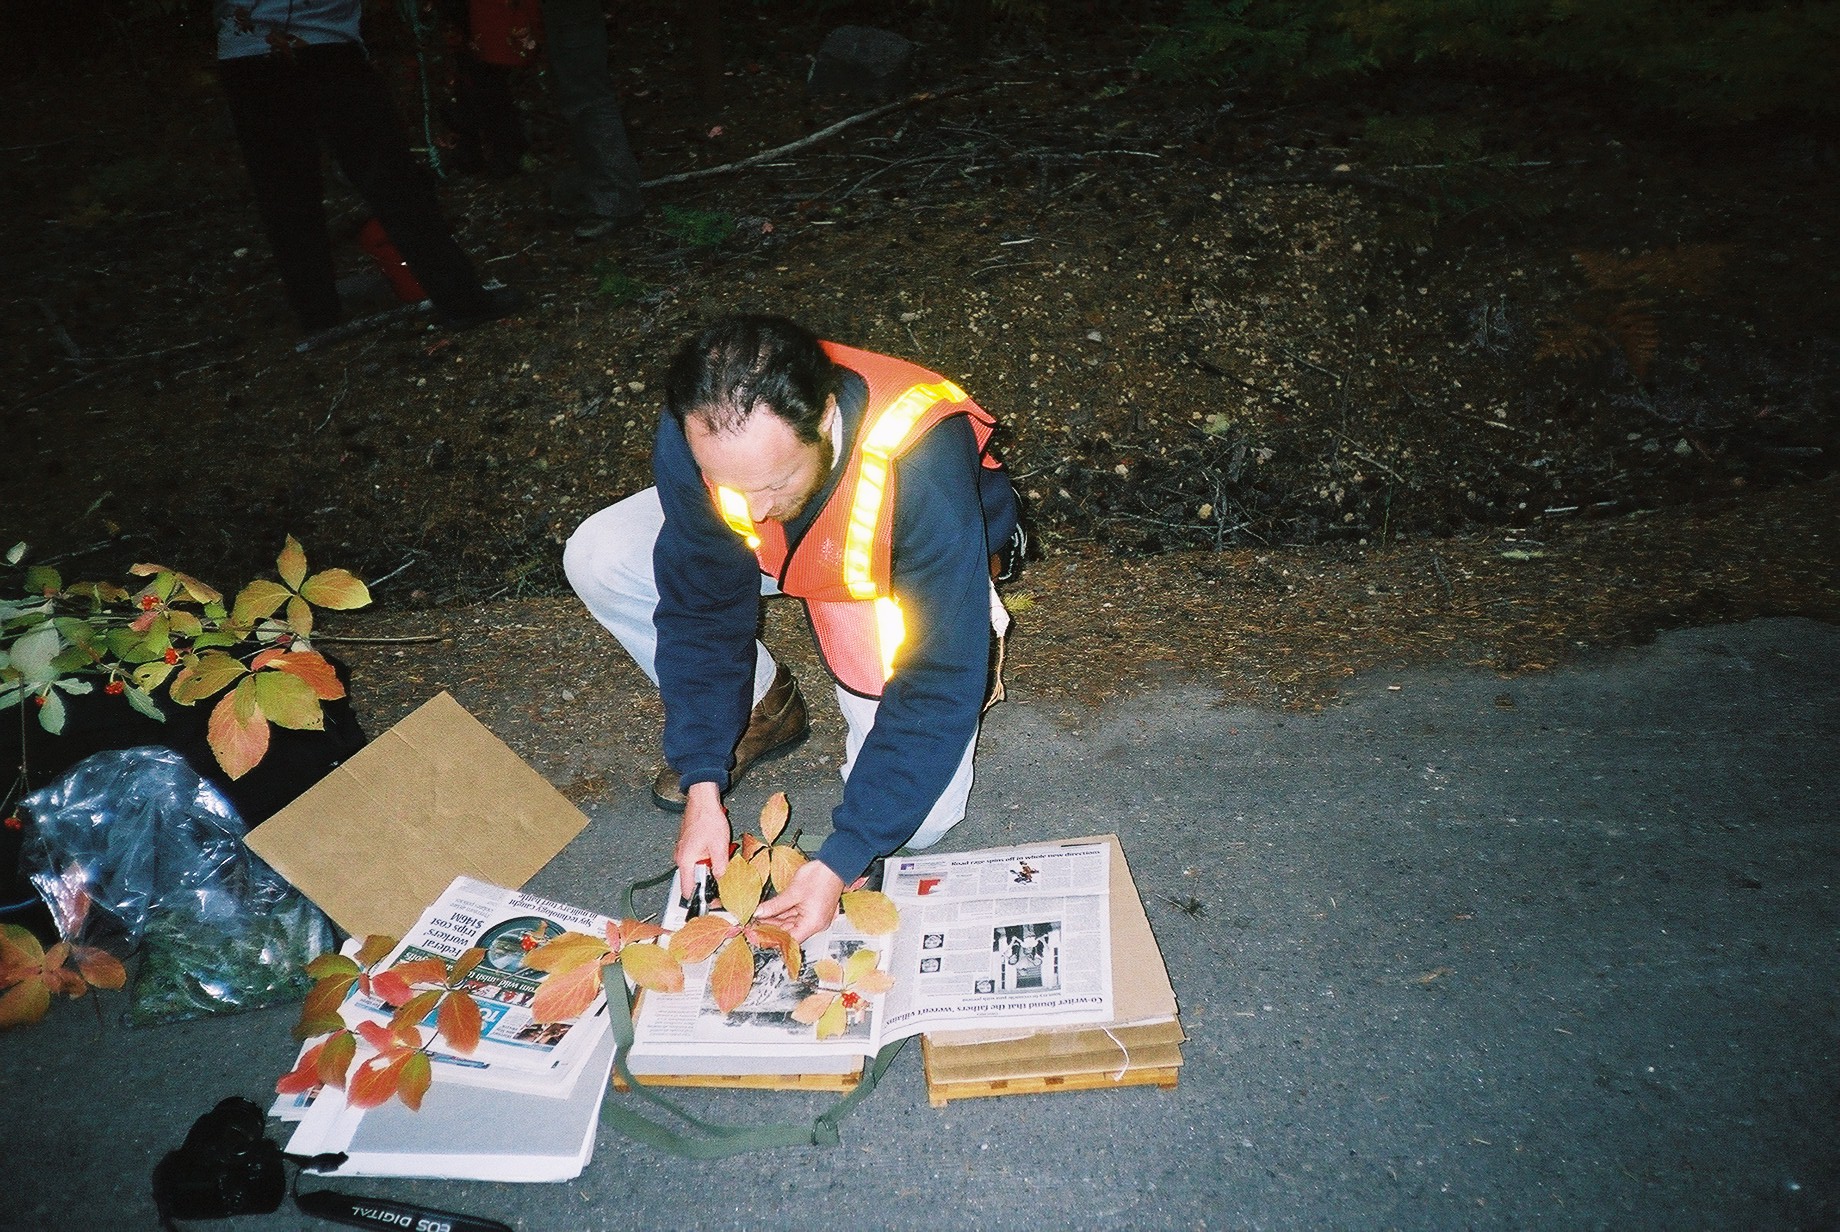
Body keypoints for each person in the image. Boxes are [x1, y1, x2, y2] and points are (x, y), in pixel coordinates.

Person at [565, 315, 1020, 942]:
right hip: (798, 550)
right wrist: (703, 780)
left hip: (886, 570)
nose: (750, 512)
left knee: (916, 823)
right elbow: (701, 608)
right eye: (731, 486)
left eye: (775, 482)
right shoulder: (697, 428)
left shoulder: (918, 463)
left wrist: (839, 861)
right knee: (600, 554)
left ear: (826, 417)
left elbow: (941, 676)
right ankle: (764, 703)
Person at [214, 0, 518, 332]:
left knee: (287, 193)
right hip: (318, 49)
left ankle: (318, 315)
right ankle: (460, 299)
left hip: (254, 55)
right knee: (389, 179)